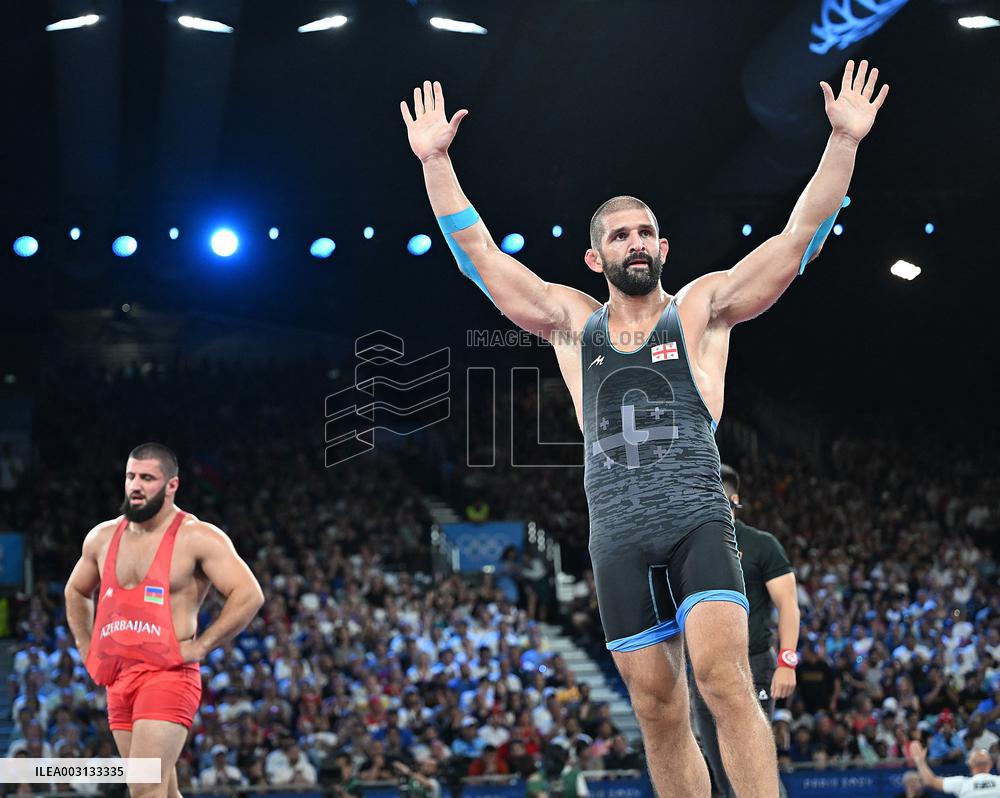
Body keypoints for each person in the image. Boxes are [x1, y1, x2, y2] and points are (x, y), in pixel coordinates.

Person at [401, 58, 889, 798]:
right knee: (658, 710)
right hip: (617, 531)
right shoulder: (573, 322)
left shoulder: (700, 308)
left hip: (695, 515)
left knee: (725, 684)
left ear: (663, 249)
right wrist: (436, 162)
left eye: (647, 232)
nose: (636, 242)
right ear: (595, 256)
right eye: (620, 234)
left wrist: (844, 144)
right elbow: (480, 258)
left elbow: (796, 239)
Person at [64, 442, 265, 798]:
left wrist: (202, 645)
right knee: (161, 792)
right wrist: (85, 645)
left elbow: (249, 594)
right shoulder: (102, 537)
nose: (135, 485)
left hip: (168, 674)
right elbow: (76, 592)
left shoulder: (197, 537)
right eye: (130, 476)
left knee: (144, 787)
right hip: (119, 677)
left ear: (172, 485)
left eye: (147, 478)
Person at [691, 464, 799, 798]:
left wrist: (787, 662)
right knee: (720, 768)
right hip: (704, 667)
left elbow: (790, 606)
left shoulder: (760, 544)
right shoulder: (689, 547)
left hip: (753, 664)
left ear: (734, 499)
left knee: (755, 761)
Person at [911, 741, 1000, 796]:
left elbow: (931, 781)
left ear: (970, 765)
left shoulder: (962, 784)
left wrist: (920, 762)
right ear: (991, 764)